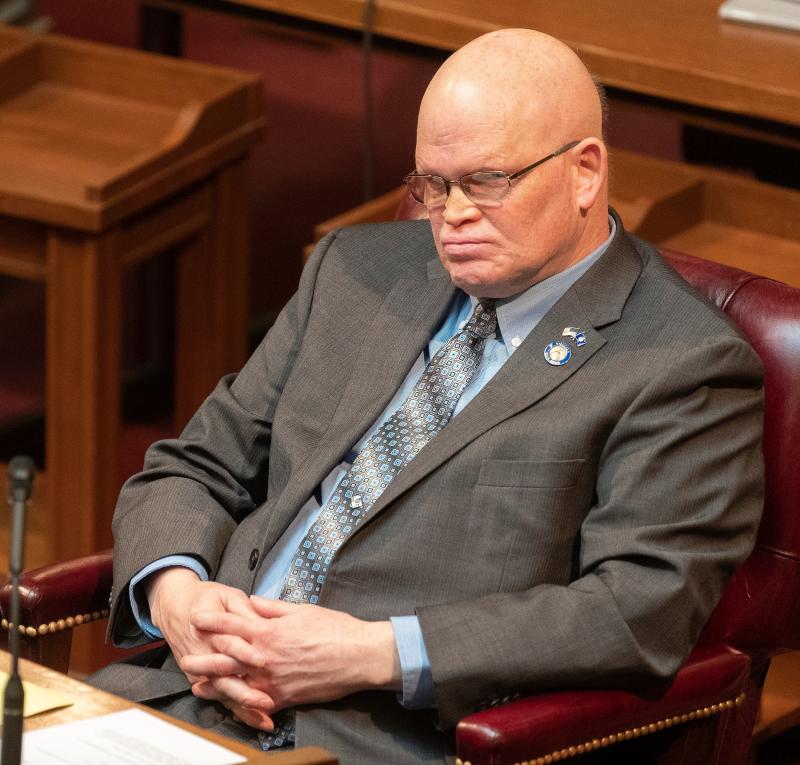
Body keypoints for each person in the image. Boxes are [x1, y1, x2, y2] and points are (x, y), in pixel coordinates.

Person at [89, 28, 764, 764]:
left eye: (487, 181)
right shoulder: (355, 270)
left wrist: (372, 653)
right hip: (180, 700)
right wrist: (177, 598)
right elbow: (193, 465)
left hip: (383, 738)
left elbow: (635, 611)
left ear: (585, 171)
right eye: (433, 185)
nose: (453, 215)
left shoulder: (681, 362)